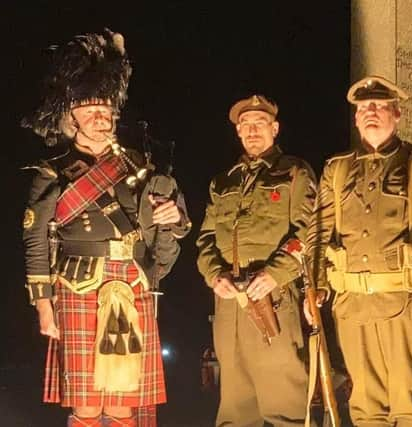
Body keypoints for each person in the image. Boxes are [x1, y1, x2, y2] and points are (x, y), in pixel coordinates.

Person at [21, 30, 190, 427]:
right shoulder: (53, 172)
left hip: (132, 284)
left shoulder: (140, 166)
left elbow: (174, 220)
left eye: (107, 112)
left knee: (123, 401)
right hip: (77, 287)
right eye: (90, 112)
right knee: (86, 403)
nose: (101, 119)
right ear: (70, 119)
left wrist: (174, 219)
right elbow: (34, 241)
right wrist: (44, 305)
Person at [304, 76, 412, 426]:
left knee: (409, 403)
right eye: (363, 108)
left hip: (405, 303)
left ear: (397, 113)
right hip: (352, 306)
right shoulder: (337, 169)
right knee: (364, 404)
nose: (370, 113)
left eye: (378, 106)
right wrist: (315, 285)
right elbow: (318, 231)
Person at [196, 94, 317, 426]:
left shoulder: (294, 172)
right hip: (229, 303)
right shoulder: (223, 182)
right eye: (245, 125)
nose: (252, 131)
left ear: (274, 129)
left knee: (284, 406)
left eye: (259, 124)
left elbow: (308, 231)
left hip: (274, 299)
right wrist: (213, 274)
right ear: (237, 132)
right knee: (235, 408)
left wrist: (277, 273)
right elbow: (206, 239)